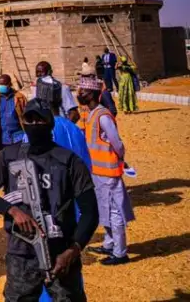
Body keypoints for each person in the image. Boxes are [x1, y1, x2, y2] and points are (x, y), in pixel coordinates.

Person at [0, 99, 98, 301]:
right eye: (29, 120)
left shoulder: (69, 161)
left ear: (49, 123)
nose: (34, 125)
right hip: (22, 254)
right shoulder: (10, 156)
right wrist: (12, 211)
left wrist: (72, 251)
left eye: (39, 120)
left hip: (61, 254)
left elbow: (90, 212)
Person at [42, 83, 91, 302]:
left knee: (45, 263)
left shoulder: (37, 132)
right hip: (72, 209)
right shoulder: (73, 130)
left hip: (47, 210)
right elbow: (86, 168)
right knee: (70, 262)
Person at [78, 81, 135, 265]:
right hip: (97, 171)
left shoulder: (103, 116)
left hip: (108, 171)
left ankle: (120, 253)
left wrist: (120, 158)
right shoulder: (90, 114)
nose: (80, 94)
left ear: (93, 94)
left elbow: (116, 142)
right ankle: (109, 244)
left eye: (84, 91)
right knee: (104, 207)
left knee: (114, 211)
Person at [0, 74, 27, 152]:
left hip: (19, 137)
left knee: (18, 162)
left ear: (10, 85)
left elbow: (27, 117)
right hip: (2, 139)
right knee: (4, 162)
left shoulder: (20, 98)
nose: (1, 86)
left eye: (3, 84)